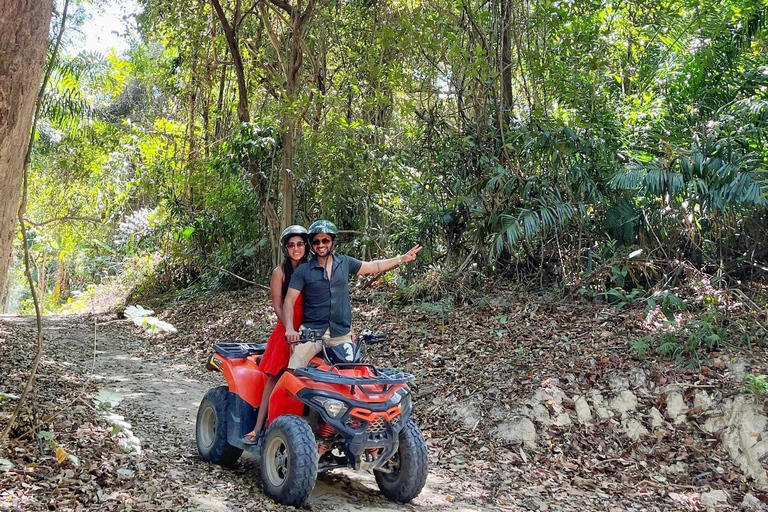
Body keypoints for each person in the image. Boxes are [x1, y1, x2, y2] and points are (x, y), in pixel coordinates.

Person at [283, 220, 421, 368]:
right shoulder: (303, 270)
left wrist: (401, 258)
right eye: (316, 242)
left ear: (332, 241)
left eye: (325, 240)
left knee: (352, 370)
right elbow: (289, 301)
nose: (321, 245)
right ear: (312, 245)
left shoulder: (344, 262)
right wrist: (290, 328)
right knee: (295, 366)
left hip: (341, 333)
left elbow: (374, 265)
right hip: (313, 333)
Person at [243, 225, 309, 444]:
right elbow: (278, 305)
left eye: (300, 244)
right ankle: (257, 428)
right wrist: (290, 329)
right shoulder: (280, 272)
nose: (296, 248)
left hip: (307, 332)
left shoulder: (311, 269)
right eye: (291, 245)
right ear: (286, 248)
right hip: (286, 331)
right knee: (274, 377)